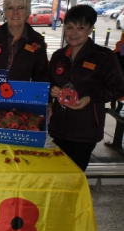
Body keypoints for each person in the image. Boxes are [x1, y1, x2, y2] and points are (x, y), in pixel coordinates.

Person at [48, 5, 124, 171]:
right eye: (69, 27)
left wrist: (91, 98)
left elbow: (118, 88)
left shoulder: (104, 56)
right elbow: (48, 83)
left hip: (85, 131)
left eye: (80, 28)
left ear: (90, 29)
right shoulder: (59, 56)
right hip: (58, 128)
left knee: (74, 176)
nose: (73, 33)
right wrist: (51, 91)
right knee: (56, 174)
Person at [0, 0, 48, 115]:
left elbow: (42, 77)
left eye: (20, 8)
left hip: (21, 107)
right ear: (5, 12)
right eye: (10, 8)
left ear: (27, 12)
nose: (15, 12)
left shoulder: (36, 41)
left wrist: (43, 103)